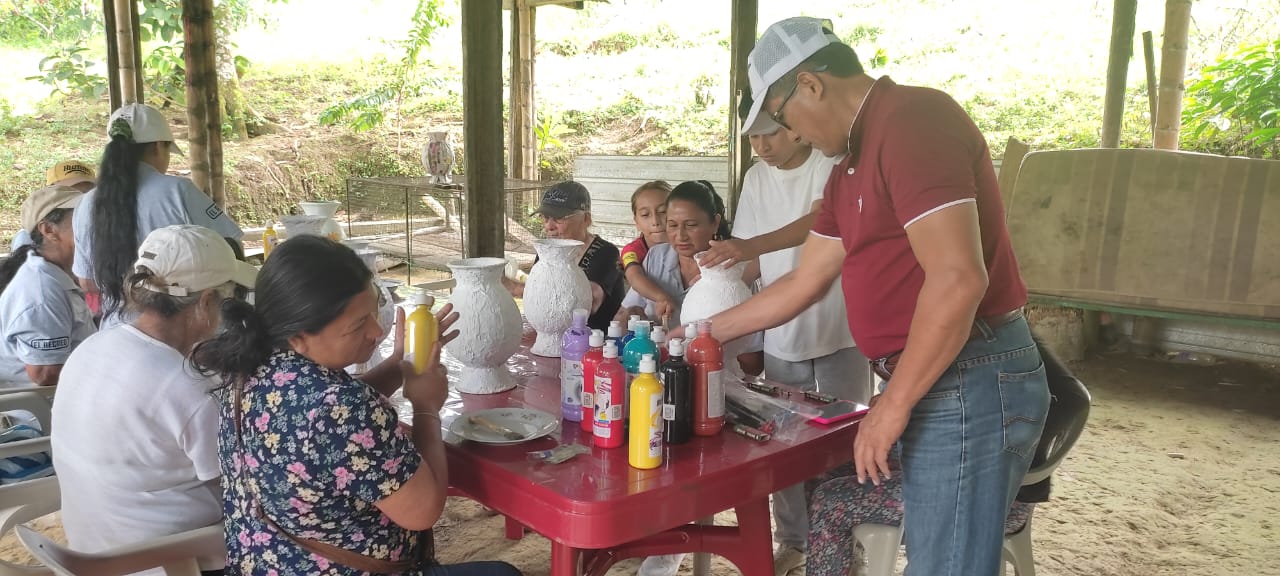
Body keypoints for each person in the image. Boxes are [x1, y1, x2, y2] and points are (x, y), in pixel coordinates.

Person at [686, 17, 1050, 576]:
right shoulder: (850, 167)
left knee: (947, 565)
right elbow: (803, 282)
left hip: (971, 373)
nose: (794, 133)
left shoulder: (913, 122)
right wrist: (700, 331)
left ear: (810, 84)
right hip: (933, 373)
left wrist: (892, 404)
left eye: (783, 118)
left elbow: (958, 279)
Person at [191, 236, 521, 576]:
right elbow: (423, 510)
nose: (376, 331)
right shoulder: (341, 407)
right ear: (299, 337)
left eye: (373, 311)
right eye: (359, 324)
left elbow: (319, 428)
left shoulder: (249, 370)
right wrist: (426, 406)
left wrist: (400, 366)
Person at [707, 106, 872, 576]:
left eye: (771, 134)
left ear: (797, 129)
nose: (761, 146)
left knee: (846, 442)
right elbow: (748, 260)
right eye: (753, 138)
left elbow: (822, 221)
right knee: (781, 445)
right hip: (783, 329)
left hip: (840, 327)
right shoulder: (757, 178)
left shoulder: (829, 162)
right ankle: (795, 542)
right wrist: (715, 292)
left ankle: (850, 547)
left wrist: (751, 248)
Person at [52, 225, 259, 576]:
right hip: (168, 562)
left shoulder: (94, 346)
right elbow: (242, 491)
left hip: (90, 552)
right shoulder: (189, 388)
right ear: (206, 301)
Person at [73, 102, 244, 326]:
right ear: (158, 146)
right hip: (183, 328)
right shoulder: (178, 191)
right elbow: (231, 250)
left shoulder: (86, 203)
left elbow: (87, 282)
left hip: (116, 328)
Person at [616, 180, 764, 372]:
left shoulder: (733, 272)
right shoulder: (656, 257)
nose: (680, 235)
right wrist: (635, 318)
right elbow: (623, 316)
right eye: (672, 225)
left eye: (691, 225)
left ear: (715, 223)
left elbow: (753, 362)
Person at [804, 458, 1035, 576]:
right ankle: (849, 564)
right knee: (826, 464)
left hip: (986, 500)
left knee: (829, 502)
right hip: (965, 474)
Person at [0, 185, 93, 386]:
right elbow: (46, 375)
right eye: (82, 219)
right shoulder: (42, 293)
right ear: (49, 230)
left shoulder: (57, 274)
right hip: (42, 403)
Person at [507, 181, 624, 331]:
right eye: (545, 217)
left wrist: (517, 288)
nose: (549, 226)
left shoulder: (606, 253)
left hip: (596, 340)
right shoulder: (548, 251)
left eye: (559, 218)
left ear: (586, 219)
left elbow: (586, 303)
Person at [614, 180, 678, 322]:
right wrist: (661, 297)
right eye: (645, 215)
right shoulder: (632, 250)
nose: (655, 221)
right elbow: (635, 278)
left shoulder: (685, 246)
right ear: (636, 222)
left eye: (663, 212)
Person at [11, 159, 96, 251]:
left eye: (87, 193)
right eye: (69, 192)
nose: (83, 201)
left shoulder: (97, 225)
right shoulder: (26, 238)